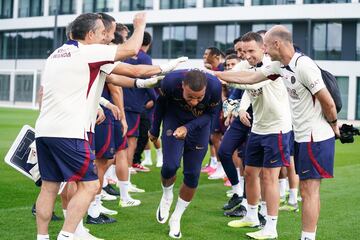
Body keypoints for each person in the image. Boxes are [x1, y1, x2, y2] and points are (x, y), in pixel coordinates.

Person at [216, 25, 339, 240]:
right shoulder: (280, 66)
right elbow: (251, 78)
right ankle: (263, 220)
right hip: (301, 135)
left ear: (276, 44)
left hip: (314, 136)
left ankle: (307, 237)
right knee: (305, 190)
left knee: (309, 191)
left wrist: (335, 125)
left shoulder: (304, 65)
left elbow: (327, 102)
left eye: (265, 45)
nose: (263, 49)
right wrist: (217, 74)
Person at [148, 69, 222, 239]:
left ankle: (176, 217)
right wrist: (154, 128)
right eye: (190, 97)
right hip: (173, 120)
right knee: (169, 167)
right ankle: (167, 195)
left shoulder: (215, 87)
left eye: (199, 97)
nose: (195, 102)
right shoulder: (170, 81)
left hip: (199, 127)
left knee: (192, 175)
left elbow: (211, 115)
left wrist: (187, 128)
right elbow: (160, 104)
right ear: (182, 86)